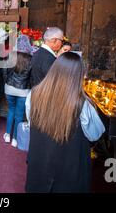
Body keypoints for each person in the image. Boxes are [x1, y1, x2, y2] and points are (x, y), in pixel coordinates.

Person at [26, 52, 91, 193]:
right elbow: (94, 134)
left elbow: (32, 122)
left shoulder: (33, 94)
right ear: (76, 76)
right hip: (68, 166)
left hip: (41, 157)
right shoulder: (82, 104)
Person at [2, 34, 32, 148]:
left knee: (11, 111)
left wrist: (7, 82)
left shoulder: (10, 55)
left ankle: (7, 135)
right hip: (23, 90)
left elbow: (4, 72)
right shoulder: (31, 59)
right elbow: (31, 77)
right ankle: (15, 139)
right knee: (19, 115)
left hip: (9, 88)